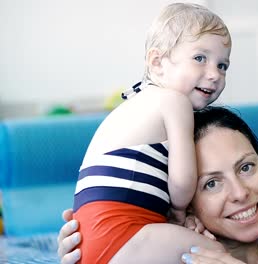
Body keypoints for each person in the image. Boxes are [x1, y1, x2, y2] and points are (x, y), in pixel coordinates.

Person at [60, 106, 258, 264]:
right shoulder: (173, 247)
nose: (240, 193)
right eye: (212, 184)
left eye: (246, 167)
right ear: (186, 202)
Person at [72, 3, 231, 263]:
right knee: (215, 254)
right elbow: (181, 182)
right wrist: (180, 211)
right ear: (157, 63)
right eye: (200, 58)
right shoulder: (174, 102)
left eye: (222, 65)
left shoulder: (137, 105)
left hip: (88, 240)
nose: (214, 74)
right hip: (122, 235)